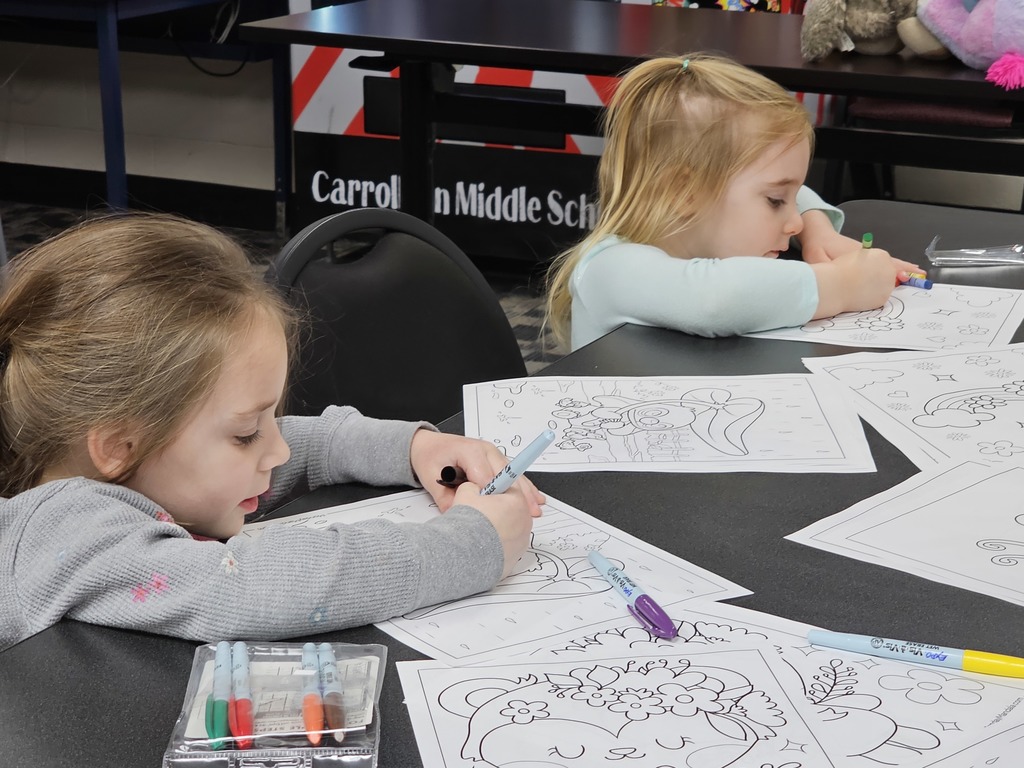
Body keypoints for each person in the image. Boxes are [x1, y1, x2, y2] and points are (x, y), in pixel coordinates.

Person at [0, 213, 543, 652]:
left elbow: (298, 445)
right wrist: (472, 545)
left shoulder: (146, 471)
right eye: (245, 435)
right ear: (119, 447)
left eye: (267, 421)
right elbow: (243, 588)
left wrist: (416, 448)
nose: (275, 447)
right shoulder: (69, 530)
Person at [545, 53, 924, 351]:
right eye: (776, 200)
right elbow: (716, 299)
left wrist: (816, 229)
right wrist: (842, 284)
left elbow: (793, 191)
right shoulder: (611, 268)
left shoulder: (693, 224)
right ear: (684, 193)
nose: (791, 221)